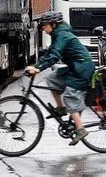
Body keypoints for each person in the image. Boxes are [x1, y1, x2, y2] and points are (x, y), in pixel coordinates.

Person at [26, 11, 95, 146]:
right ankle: (60, 108)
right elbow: (49, 53)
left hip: (82, 69)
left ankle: (80, 129)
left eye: (44, 26)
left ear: (53, 24)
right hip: (75, 67)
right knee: (52, 79)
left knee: (70, 96)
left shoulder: (62, 35)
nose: (42, 29)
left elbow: (55, 55)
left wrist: (39, 69)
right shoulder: (57, 34)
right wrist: (35, 66)